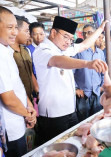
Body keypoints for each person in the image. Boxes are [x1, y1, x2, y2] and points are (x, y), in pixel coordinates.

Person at [33, 16, 108, 144]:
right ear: (53, 32)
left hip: (70, 110)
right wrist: (87, 63)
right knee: (58, 149)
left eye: (71, 39)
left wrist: (100, 29)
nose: (68, 42)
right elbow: (56, 60)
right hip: (54, 115)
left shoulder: (63, 48)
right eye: (65, 37)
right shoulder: (43, 50)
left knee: (72, 144)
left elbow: (84, 45)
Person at [0, 6, 36, 157]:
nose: (14, 32)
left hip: (18, 119)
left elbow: (17, 86)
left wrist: (28, 105)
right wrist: (28, 114)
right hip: (10, 128)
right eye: (10, 27)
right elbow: (8, 98)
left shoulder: (6, 51)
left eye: (15, 27)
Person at [73, 24, 105, 121]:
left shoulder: (100, 53)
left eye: (89, 32)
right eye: (84, 33)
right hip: (83, 94)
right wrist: (76, 88)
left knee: (97, 120)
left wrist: (102, 85)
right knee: (83, 122)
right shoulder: (78, 52)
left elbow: (103, 71)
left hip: (97, 92)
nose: (86, 35)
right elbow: (70, 72)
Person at [10, 15, 39, 104]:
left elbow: (30, 73)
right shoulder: (8, 53)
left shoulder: (26, 51)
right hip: (16, 101)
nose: (29, 35)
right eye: (26, 31)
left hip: (29, 99)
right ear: (16, 30)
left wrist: (37, 90)